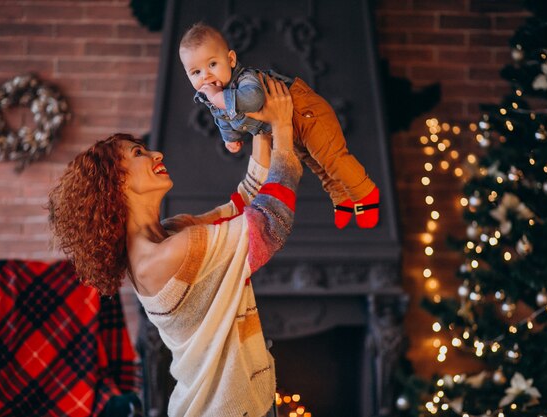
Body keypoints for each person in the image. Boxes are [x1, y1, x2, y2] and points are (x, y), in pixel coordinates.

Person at [48, 75, 301, 417]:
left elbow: (243, 204)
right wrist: (283, 130)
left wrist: (260, 129)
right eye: (139, 153)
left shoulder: (169, 234)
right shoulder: (168, 255)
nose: (157, 153)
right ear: (117, 183)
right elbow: (270, 224)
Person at [178, 22, 380, 229]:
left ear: (230, 59)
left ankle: (365, 193)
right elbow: (222, 118)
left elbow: (253, 100)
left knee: (332, 158)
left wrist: (218, 97)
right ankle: (340, 197)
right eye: (195, 72)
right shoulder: (213, 98)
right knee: (315, 162)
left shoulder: (246, 79)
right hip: (287, 126)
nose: (206, 76)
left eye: (212, 65)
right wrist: (231, 138)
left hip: (307, 112)